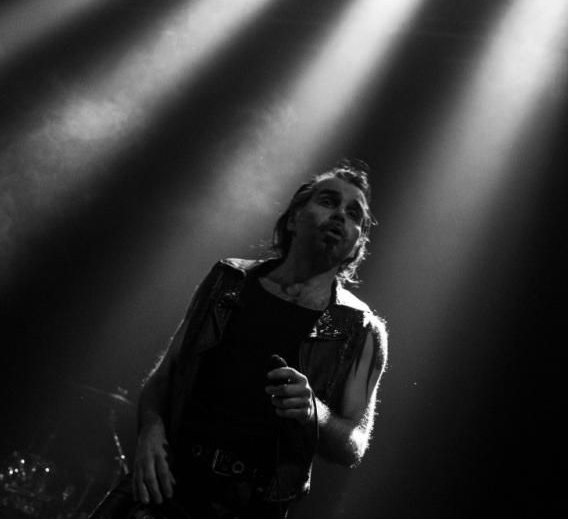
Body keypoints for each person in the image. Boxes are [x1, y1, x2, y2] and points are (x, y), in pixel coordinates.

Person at [90, 160, 388, 519]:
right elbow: (165, 375)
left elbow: (354, 444)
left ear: (357, 245)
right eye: (328, 201)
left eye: (354, 214)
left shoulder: (361, 329)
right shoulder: (228, 280)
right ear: (294, 219)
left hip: (252, 507)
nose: (340, 214)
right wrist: (150, 433)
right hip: (167, 485)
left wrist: (315, 412)